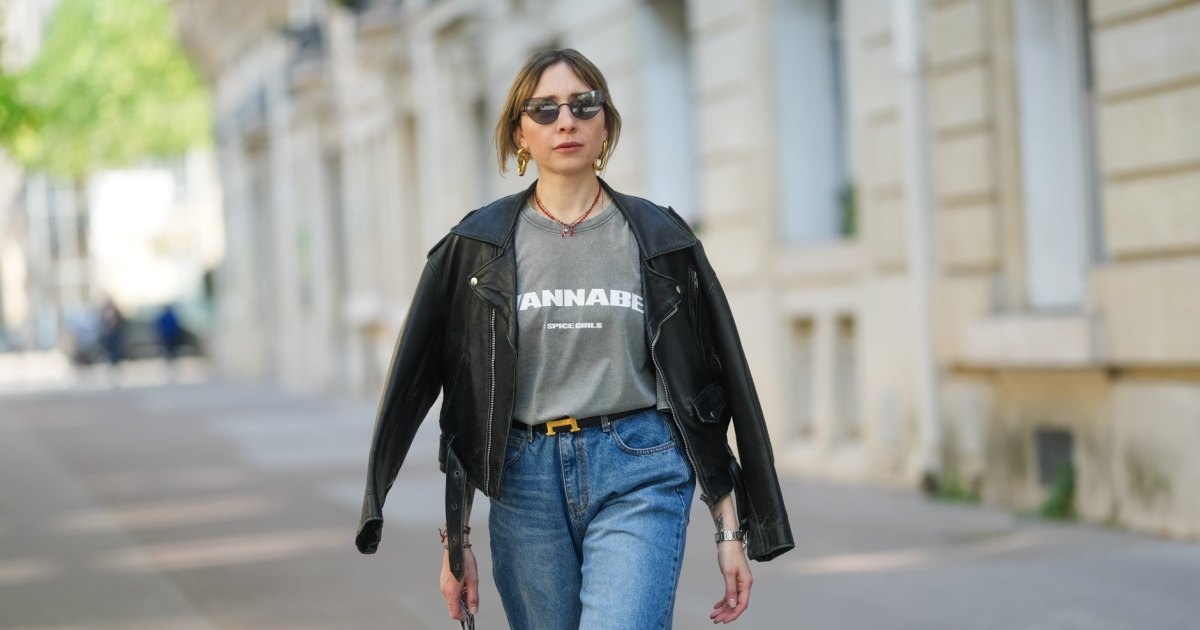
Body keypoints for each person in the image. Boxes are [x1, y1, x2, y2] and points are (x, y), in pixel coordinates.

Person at [356, 48, 793, 629]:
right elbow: (450, 398)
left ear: (605, 123)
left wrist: (730, 528)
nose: (566, 121)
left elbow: (713, 386)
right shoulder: (477, 248)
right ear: (521, 134)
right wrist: (456, 541)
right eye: (544, 109)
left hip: (640, 467)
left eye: (583, 105)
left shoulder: (661, 240)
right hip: (524, 479)